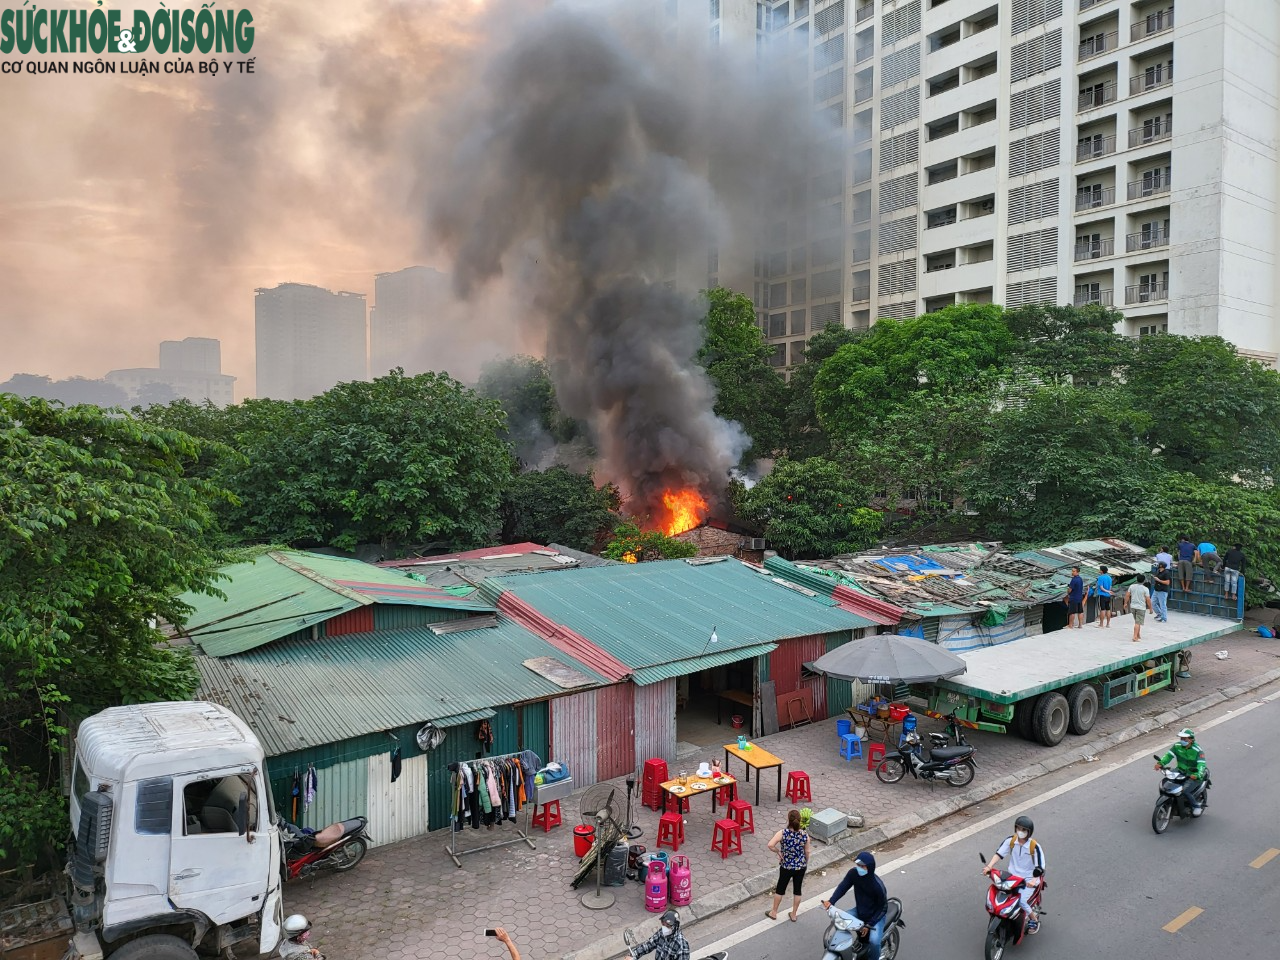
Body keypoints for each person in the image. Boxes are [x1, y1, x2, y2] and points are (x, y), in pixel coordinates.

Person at [982, 816, 1046, 934]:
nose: (1020, 831)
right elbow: (999, 854)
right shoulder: (1010, 841)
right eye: (1018, 828)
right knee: (999, 896)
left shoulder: (1034, 847)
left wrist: (1034, 879)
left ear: (1029, 832)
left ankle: (1034, 920)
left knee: (1020, 901)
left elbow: (1040, 867)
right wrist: (989, 867)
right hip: (1011, 878)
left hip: (1027, 880)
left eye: (1024, 830)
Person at [823, 852, 888, 960]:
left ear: (870, 868)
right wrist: (831, 901)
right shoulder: (853, 874)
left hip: (875, 917)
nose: (859, 868)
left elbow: (883, 908)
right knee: (839, 922)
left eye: (862, 866)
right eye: (858, 865)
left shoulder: (877, 886)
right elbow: (843, 887)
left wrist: (869, 924)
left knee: (874, 942)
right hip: (860, 911)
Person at [767, 808, 811, 921]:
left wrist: (779, 852)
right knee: (797, 889)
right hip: (800, 866)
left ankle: (774, 912)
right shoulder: (804, 835)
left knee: (780, 888)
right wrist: (805, 861)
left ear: (789, 820)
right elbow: (807, 851)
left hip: (786, 865)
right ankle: (794, 914)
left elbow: (770, 845)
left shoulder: (783, 833)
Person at [1155, 728, 1209, 816]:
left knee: (1185, 790)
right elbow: (1168, 756)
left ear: (1191, 739)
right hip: (1180, 770)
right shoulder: (1177, 746)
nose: (1182, 740)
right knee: (1166, 783)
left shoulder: (1198, 750)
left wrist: (1197, 774)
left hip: (1193, 773)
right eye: (1181, 739)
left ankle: (1196, 806)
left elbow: (1201, 765)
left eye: (1185, 739)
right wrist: (1160, 763)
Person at [1124, 574, 1154, 642]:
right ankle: (1135, 637)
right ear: (1144, 581)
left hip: (1133, 607)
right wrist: (1150, 608)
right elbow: (1148, 599)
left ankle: (1138, 635)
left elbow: (1127, 595)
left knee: (1137, 621)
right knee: (1138, 622)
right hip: (1141, 607)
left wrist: (1125, 603)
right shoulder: (1145, 589)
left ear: (1137, 580)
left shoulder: (1132, 586)